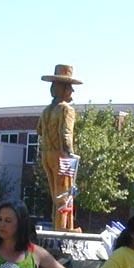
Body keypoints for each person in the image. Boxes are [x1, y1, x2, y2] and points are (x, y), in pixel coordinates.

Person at [37, 64, 82, 232]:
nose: (72, 91)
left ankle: (62, 225)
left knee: (56, 195)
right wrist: (70, 155)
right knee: (65, 194)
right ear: (62, 89)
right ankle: (62, 228)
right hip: (61, 155)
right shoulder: (66, 110)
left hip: (47, 155)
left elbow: (39, 130)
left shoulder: (46, 111)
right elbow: (66, 134)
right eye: (69, 87)